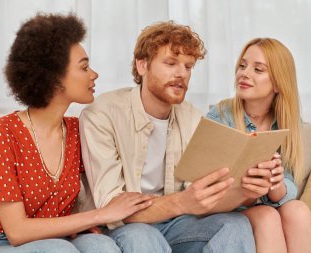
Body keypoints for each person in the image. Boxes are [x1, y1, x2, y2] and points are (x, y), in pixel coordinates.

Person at [78, 21, 280, 253]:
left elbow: (201, 197)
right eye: (170, 63)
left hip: (174, 222)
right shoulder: (102, 114)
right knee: (141, 236)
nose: (181, 74)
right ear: (142, 65)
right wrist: (182, 202)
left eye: (188, 67)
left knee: (234, 224)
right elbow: (112, 205)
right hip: (120, 226)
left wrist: (245, 192)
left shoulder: (192, 118)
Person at [0, 13, 154, 253]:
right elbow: (17, 232)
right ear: (54, 78)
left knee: (102, 246)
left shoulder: (78, 130)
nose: (94, 74)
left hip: (60, 238)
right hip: (1, 242)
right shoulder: (0, 133)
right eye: (84, 67)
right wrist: (98, 216)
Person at [206, 38, 311, 253]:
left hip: (263, 204)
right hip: (227, 208)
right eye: (242, 65)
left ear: (278, 83)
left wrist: (275, 182)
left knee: (298, 210)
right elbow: (206, 188)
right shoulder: (220, 116)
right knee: (266, 216)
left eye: (258, 69)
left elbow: (288, 191)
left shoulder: (287, 124)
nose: (245, 73)